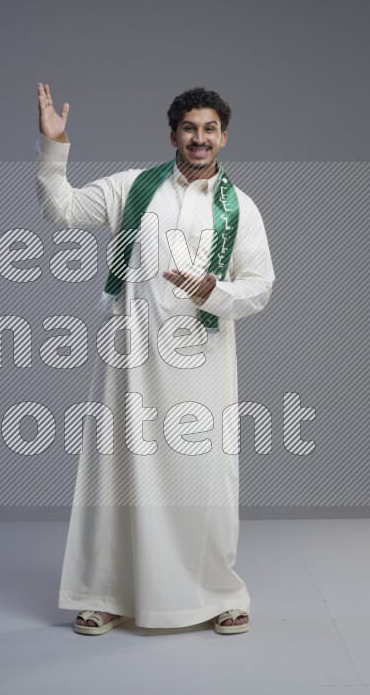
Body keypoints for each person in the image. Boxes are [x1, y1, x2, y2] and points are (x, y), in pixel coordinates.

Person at [35, 82, 275, 635]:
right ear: (173, 135)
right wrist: (56, 146)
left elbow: (261, 287)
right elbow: (61, 209)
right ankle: (107, 593)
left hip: (202, 361)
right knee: (120, 472)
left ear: (223, 137)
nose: (199, 138)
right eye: (190, 128)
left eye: (209, 129)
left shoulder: (240, 209)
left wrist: (213, 290)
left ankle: (217, 593)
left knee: (204, 475)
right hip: (132, 359)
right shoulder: (132, 189)